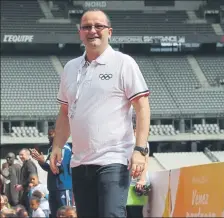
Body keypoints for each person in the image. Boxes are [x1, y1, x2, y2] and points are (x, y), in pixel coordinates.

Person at [50, 9, 150, 218]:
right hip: (79, 162)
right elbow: (65, 111)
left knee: (111, 214)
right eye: (86, 27)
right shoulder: (70, 68)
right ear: (80, 33)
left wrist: (139, 150)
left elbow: (142, 108)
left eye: (98, 26)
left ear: (109, 32)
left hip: (113, 159)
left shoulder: (123, 63)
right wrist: (58, 145)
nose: (92, 31)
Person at [30, 128, 72, 218]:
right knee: (54, 214)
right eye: (48, 135)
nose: (49, 137)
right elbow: (48, 168)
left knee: (66, 213)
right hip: (53, 187)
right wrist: (40, 161)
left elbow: (59, 167)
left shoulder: (64, 148)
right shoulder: (51, 149)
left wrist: (43, 161)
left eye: (51, 134)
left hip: (63, 187)